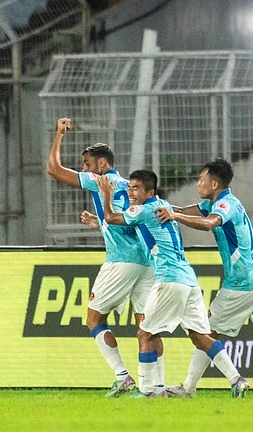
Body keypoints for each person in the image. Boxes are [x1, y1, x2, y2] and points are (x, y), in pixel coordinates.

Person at [152, 158, 253, 397]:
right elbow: (193, 210)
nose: (198, 183)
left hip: (243, 283)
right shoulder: (217, 202)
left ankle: (189, 387)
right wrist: (169, 208)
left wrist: (174, 217)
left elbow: (208, 223)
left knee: (205, 333)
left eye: (202, 179)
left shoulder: (225, 206)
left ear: (215, 184)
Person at [97, 170, 249, 398]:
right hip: (188, 280)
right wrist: (96, 223)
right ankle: (237, 379)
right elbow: (133, 228)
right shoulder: (163, 206)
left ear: (150, 192)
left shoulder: (143, 210)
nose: (130, 193)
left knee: (145, 333)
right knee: (199, 337)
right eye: (129, 188)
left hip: (169, 279)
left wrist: (106, 195)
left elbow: (110, 218)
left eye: (136, 189)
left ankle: (148, 391)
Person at [46, 118, 158, 398]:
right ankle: (154, 387)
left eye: (87, 164)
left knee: (94, 318)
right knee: (146, 326)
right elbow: (131, 221)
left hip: (121, 261)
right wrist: (101, 224)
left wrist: (59, 134)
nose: (84, 169)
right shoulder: (129, 185)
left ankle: (122, 376)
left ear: (102, 164)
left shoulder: (100, 180)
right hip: (146, 263)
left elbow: (54, 170)